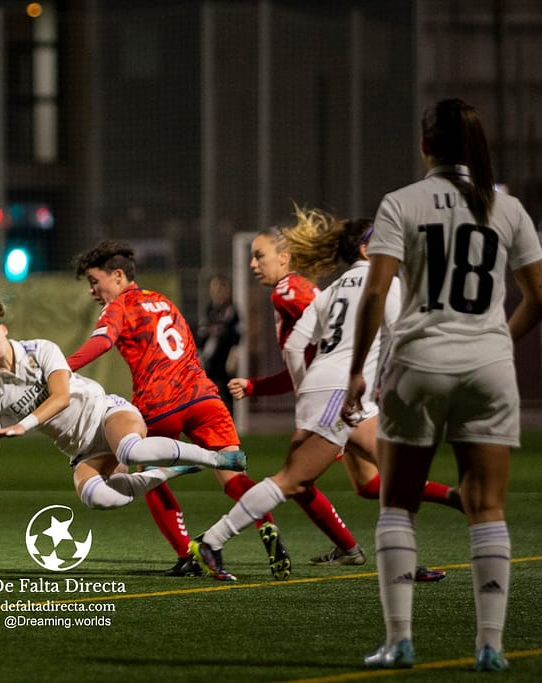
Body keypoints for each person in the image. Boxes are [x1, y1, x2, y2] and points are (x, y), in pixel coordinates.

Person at [342, 98, 542, 672]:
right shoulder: (507, 207)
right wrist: (495, 340)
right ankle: (490, 647)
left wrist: (357, 369)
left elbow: (376, 293)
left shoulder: (401, 202)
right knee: (487, 508)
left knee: (397, 504)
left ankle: (399, 642)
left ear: (425, 145)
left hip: (419, 363)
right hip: (489, 367)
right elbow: (540, 298)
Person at [190, 215, 458, 584]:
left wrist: (308, 390)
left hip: (334, 391)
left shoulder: (333, 290)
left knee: (396, 473)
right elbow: (403, 339)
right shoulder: (385, 283)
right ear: (366, 248)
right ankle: (212, 541)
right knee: (291, 480)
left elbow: (296, 345)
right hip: (341, 393)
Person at [67, 240, 291, 582]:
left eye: (95, 282)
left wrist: (62, 368)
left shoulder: (119, 305)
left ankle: (186, 554)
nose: (92, 291)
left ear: (117, 276)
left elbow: (102, 341)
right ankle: (267, 527)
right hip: (204, 397)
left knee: (149, 475)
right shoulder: (165, 302)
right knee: (232, 475)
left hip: (160, 404)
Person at [0, 300, 248, 550]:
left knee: (130, 452)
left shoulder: (40, 349)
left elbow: (61, 397)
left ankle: (215, 458)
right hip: (83, 451)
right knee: (96, 497)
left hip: (106, 414)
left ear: (2, 329)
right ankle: (168, 472)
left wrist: (23, 426)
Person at [227, 216, 368, 569]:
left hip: (334, 400)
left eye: (259, 256)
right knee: (370, 484)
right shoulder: (295, 290)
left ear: (284, 256)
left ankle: (213, 541)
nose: (253, 264)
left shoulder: (287, 291)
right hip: (344, 393)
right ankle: (357, 549)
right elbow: (308, 361)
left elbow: (323, 349)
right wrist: (255, 386)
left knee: (297, 480)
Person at [195, 275, 242, 411]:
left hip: (224, 358)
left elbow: (236, 335)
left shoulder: (231, 310)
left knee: (226, 392)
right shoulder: (210, 309)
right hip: (209, 359)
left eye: (219, 288)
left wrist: (233, 356)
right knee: (208, 391)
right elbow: (202, 333)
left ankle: (229, 418)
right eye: (213, 288)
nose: (216, 291)